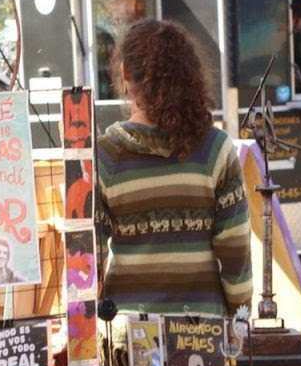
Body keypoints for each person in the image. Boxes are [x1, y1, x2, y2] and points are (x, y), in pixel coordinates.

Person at [95, 19, 251, 316]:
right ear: (188, 75)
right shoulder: (216, 149)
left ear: (126, 73)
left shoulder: (106, 155)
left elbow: (90, 261)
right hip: (203, 337)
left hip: (129, 337)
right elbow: (235, 253)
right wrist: (240, 322)